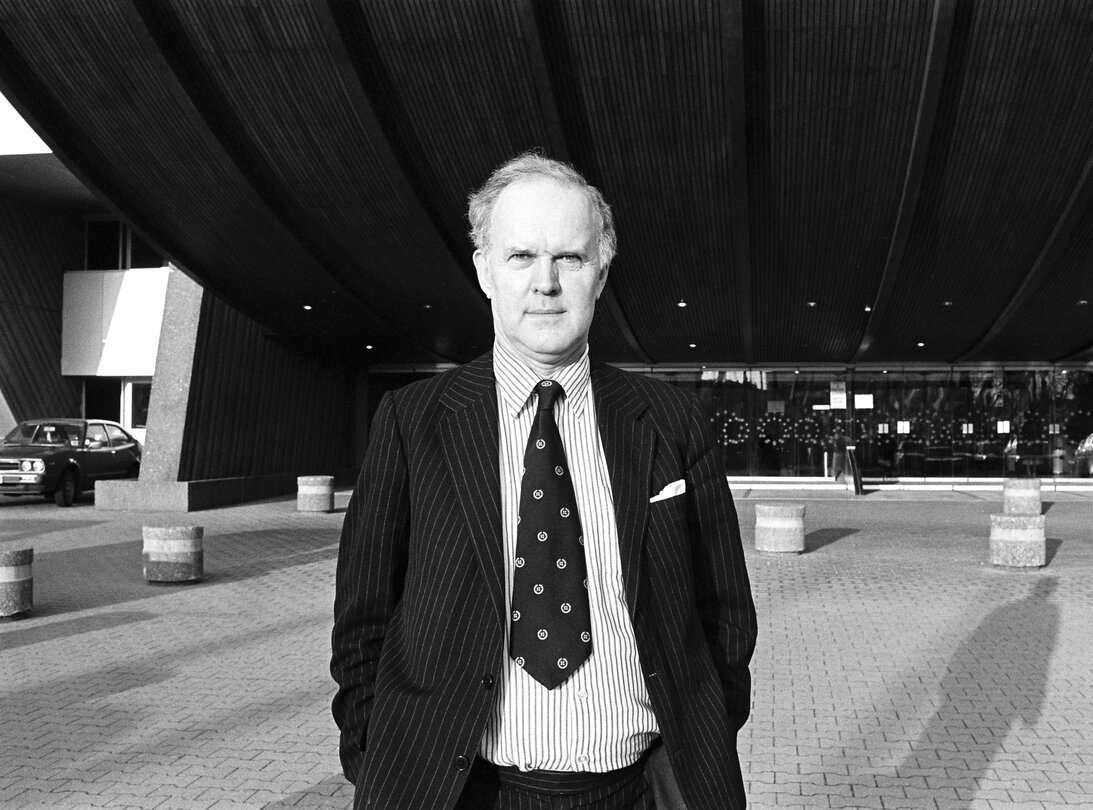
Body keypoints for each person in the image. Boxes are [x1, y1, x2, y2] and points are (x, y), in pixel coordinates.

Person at [331, 152, 757, 810]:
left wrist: (695, 739)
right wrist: (380, 756)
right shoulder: (412, 424)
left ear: (601, 271)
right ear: (484, 271)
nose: (546, 283)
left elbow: (724, 614)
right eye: (522, 256)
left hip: (640, 790)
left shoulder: (671, 423)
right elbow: (363, 623)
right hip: (461, 793)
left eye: (569, 258)